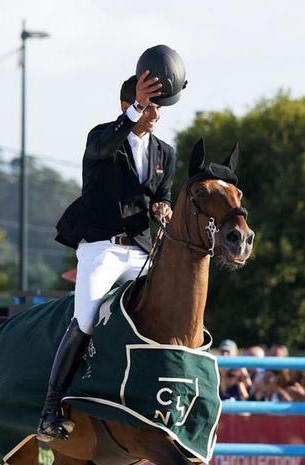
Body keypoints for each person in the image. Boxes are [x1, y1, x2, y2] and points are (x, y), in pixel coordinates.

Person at [36, 66, 181, 442]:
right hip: (101, 249)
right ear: (128, 104)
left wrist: (163, 208)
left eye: (158, 109)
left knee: (163, 309)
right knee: (85, 317)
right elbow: (101, 146)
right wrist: (136, 108)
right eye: (149, 108)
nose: (155, 115)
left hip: (139, 251)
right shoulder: (102, 139)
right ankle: (51, 408)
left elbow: (162, 194)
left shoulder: (165, 151)